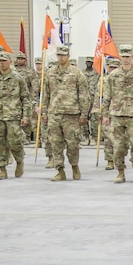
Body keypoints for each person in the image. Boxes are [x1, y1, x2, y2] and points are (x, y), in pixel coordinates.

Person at [40, 44, 90, 181]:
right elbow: (46, 95)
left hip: (71, 114)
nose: (61, 57)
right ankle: (60, 170)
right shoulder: (50, 73)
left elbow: (84, 94)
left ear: (68, 56)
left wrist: (84, 114)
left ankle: (74, 166)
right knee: (55, 143)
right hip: (54, 113)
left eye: (63, 55)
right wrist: (44, 113)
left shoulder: (76, 73)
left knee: (73, 143)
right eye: (59, 55)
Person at [101, 44, 133, 183]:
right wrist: (105, 115)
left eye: (128, 56)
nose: (125, 59)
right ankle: (120, 172)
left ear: (132, 57)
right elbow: (107, 96)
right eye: (123, 56)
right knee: (118, 146)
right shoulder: (113, 76)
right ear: (119, 57)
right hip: (116, 115)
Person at [0, 52, 31, 180]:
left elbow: (25, 98)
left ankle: (19, 161)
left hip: (13, 116)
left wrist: (26, 116)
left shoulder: (17, 78)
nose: (1, 63)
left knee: (15, 141)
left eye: (4, 60)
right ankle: (2, 169)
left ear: (10, 61)